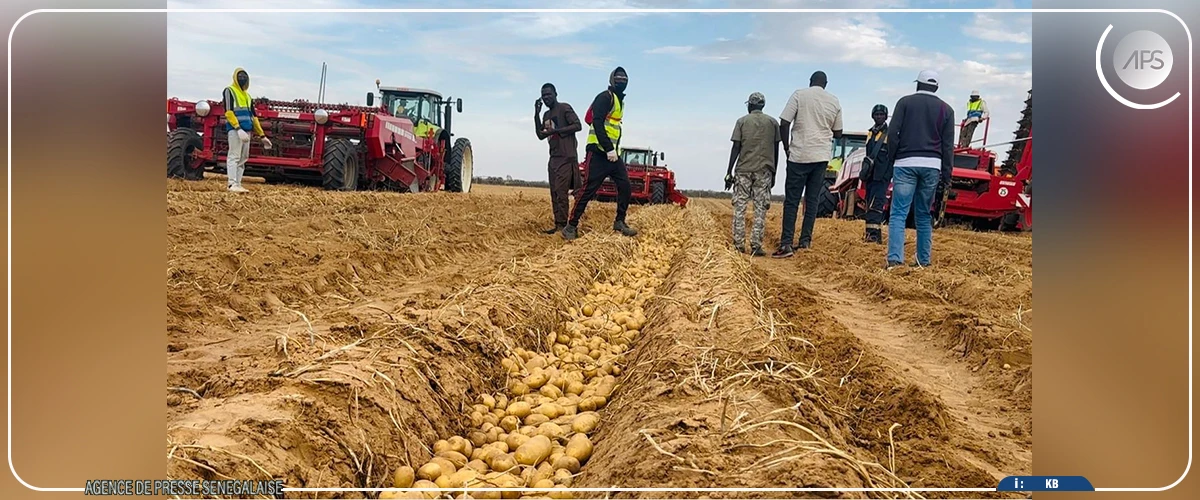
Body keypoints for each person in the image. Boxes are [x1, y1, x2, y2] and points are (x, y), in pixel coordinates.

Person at [884, 70, 955, 269]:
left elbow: (893, 132)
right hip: (932, 166)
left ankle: (895, 260)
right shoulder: (946, 110)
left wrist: (893, 157)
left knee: (898, 213)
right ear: (936, 87)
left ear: (918, 84)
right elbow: (948, 146)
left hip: (905, 163)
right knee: (924, 214)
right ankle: (923, 260)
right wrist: (947, 174)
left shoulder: (904, 103)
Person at [773, 71, 843, 258]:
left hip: (799, 155)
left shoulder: (799, 95)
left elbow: (784, 122)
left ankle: (786, 243)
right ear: (825, 84)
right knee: (812, 201)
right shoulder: (834, 101)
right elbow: (838, 132)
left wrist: (787, 148)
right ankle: (805, 241)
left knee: (792, 201)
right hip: (820, 156)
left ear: (810, 81)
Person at [563, 67, 638, 240]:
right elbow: (596, 122)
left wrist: (614, 151)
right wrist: (608, 148)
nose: (622, 81)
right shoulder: (605, 97)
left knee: (625, 186)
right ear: (612, 80)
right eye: (618, 78)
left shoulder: (619, 101)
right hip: (598, 152)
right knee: (589, 190)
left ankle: (620, 221)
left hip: (613, 156)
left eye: (624, 78)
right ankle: (571, 226)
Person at [724, 92, 780, 257]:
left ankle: (739, 244)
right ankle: (756, 246)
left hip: (743, 170)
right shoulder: (772, 123)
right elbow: (776, 150)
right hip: (764, 170)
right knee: (760, 209)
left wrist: (728, 172)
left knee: (740, 207)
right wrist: (774, 172)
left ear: (750, 105)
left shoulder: (741, 122)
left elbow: (736, 147)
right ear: (762, 105)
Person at [535, 83, 583, 234]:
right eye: (544, 95)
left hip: (566, 157)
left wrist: (558, 130)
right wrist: (536, 115)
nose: (546, 97)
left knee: (561, 192)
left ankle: (564, 226)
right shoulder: (546, 115)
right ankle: (558, 224)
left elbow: (577, 125)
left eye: (549, 94)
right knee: (554, 193)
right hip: (554, 158)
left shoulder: (564, 108)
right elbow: (541, 135)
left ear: (556, 94)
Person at [222, 67, 271, 192]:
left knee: (243, 158)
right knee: (234, 156)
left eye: (244, 77)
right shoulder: (229, 91)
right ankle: (231, 184)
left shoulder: (248, 97)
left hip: (247, 131)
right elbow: (228, 112)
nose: (242, 79)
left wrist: (262, 135)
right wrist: (238, 128)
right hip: (235, 130)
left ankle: (238, 183)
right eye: (240, 76)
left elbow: (253, 117)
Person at [859, 104, 891, 244]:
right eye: (876, 114)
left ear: (885, 116)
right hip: (871, 176)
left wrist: (887, 175)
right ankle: (870, 234)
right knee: (869, 204)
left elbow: (892, 156)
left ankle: (874, 237)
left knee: (876, 205)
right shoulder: (870, 133)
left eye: (881, 115)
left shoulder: (890, 133)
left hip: (881, 176)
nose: (879, 117)